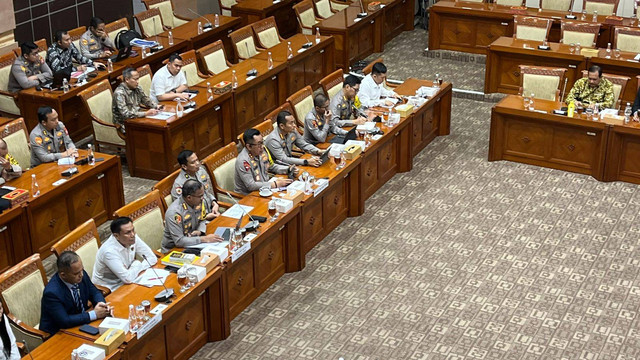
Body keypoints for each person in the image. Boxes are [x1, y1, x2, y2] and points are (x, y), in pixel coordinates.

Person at [39, 251, 111, 335]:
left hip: (80, 324)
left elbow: (94, 292)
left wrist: (102, 305)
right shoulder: (52, 293)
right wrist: (94, 314)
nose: (81, 275)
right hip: (58, 333)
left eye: (82, 270)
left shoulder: (80, 274)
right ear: (63, 275)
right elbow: (65, 321)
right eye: (76, 273)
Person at [92, 217, 157, 291]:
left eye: (133, 230)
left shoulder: (132, 237)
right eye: (128, 232)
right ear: (116, 236)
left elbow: (152, 258)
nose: (132, 234)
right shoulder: (109, 251)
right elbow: (127, 279)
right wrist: (137, 263)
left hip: (131, 278)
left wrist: (135, 269)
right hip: (110, 289)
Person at [162, 179, 223, 253]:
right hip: (173, 250)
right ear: (189, 198)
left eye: (202, 195)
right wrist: (204, 239)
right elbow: (179, 241)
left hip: (193, 242)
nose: (202, 199)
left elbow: (202, 219)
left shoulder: (197, 202)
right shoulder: (175, 213)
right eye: (200, 196)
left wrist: (200, 231)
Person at [235, 128, 294, 195]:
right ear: (249, 147)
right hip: (249, 196)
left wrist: (287, 169)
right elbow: (251, 185)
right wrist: (274, 184)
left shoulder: (262, 152)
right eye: (259, 144)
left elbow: (271, 166)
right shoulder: (243, 161)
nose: (262, 146)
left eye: (262, 142)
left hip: (266, 188)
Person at [112, 67, 162, 134]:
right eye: (135, 79)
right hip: (125, 124)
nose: (138, 82)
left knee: (158, 125)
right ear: (127, 79)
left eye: (138, 79)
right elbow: (126, 114)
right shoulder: (119, 93)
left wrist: (156, 106)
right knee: (152, 131)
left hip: (138, 118)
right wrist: (145, 113)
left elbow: (145, 100)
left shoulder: (137, 87)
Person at [171, 150, 219, 218]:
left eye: (197, 160)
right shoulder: (179, 184)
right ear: (184, 166)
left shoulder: (201, 171)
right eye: (193, 162)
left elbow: (208, 191)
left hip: (211, 211)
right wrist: (204, 217)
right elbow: (183, 210)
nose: (197, 163)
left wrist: (214, 203)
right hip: (196, 221)